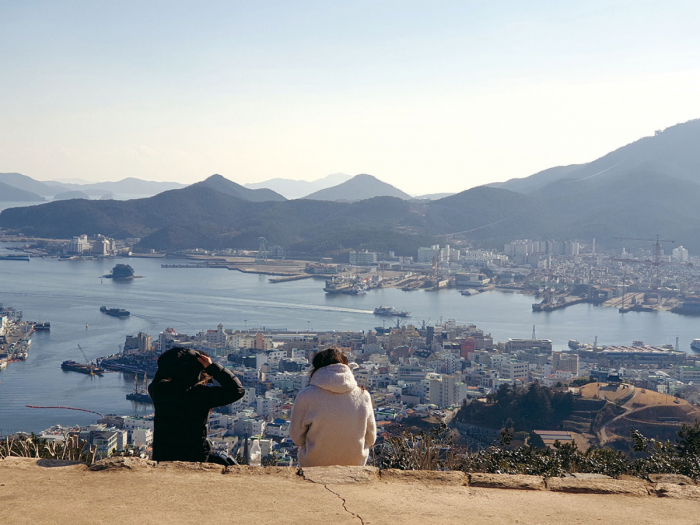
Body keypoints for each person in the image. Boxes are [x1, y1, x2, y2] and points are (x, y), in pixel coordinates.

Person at [148, 347, 245, 463]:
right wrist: (212, 367)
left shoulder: (158, 390)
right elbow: (237, 390)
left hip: (163, 455)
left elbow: (160, 376)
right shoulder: (200, 395)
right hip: (194, 456)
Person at [290, 348, 376, 467]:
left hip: (314, 463)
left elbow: (296, 438)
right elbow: (371, 438)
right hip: (354, 463)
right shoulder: (363, 395)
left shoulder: (305, 396)